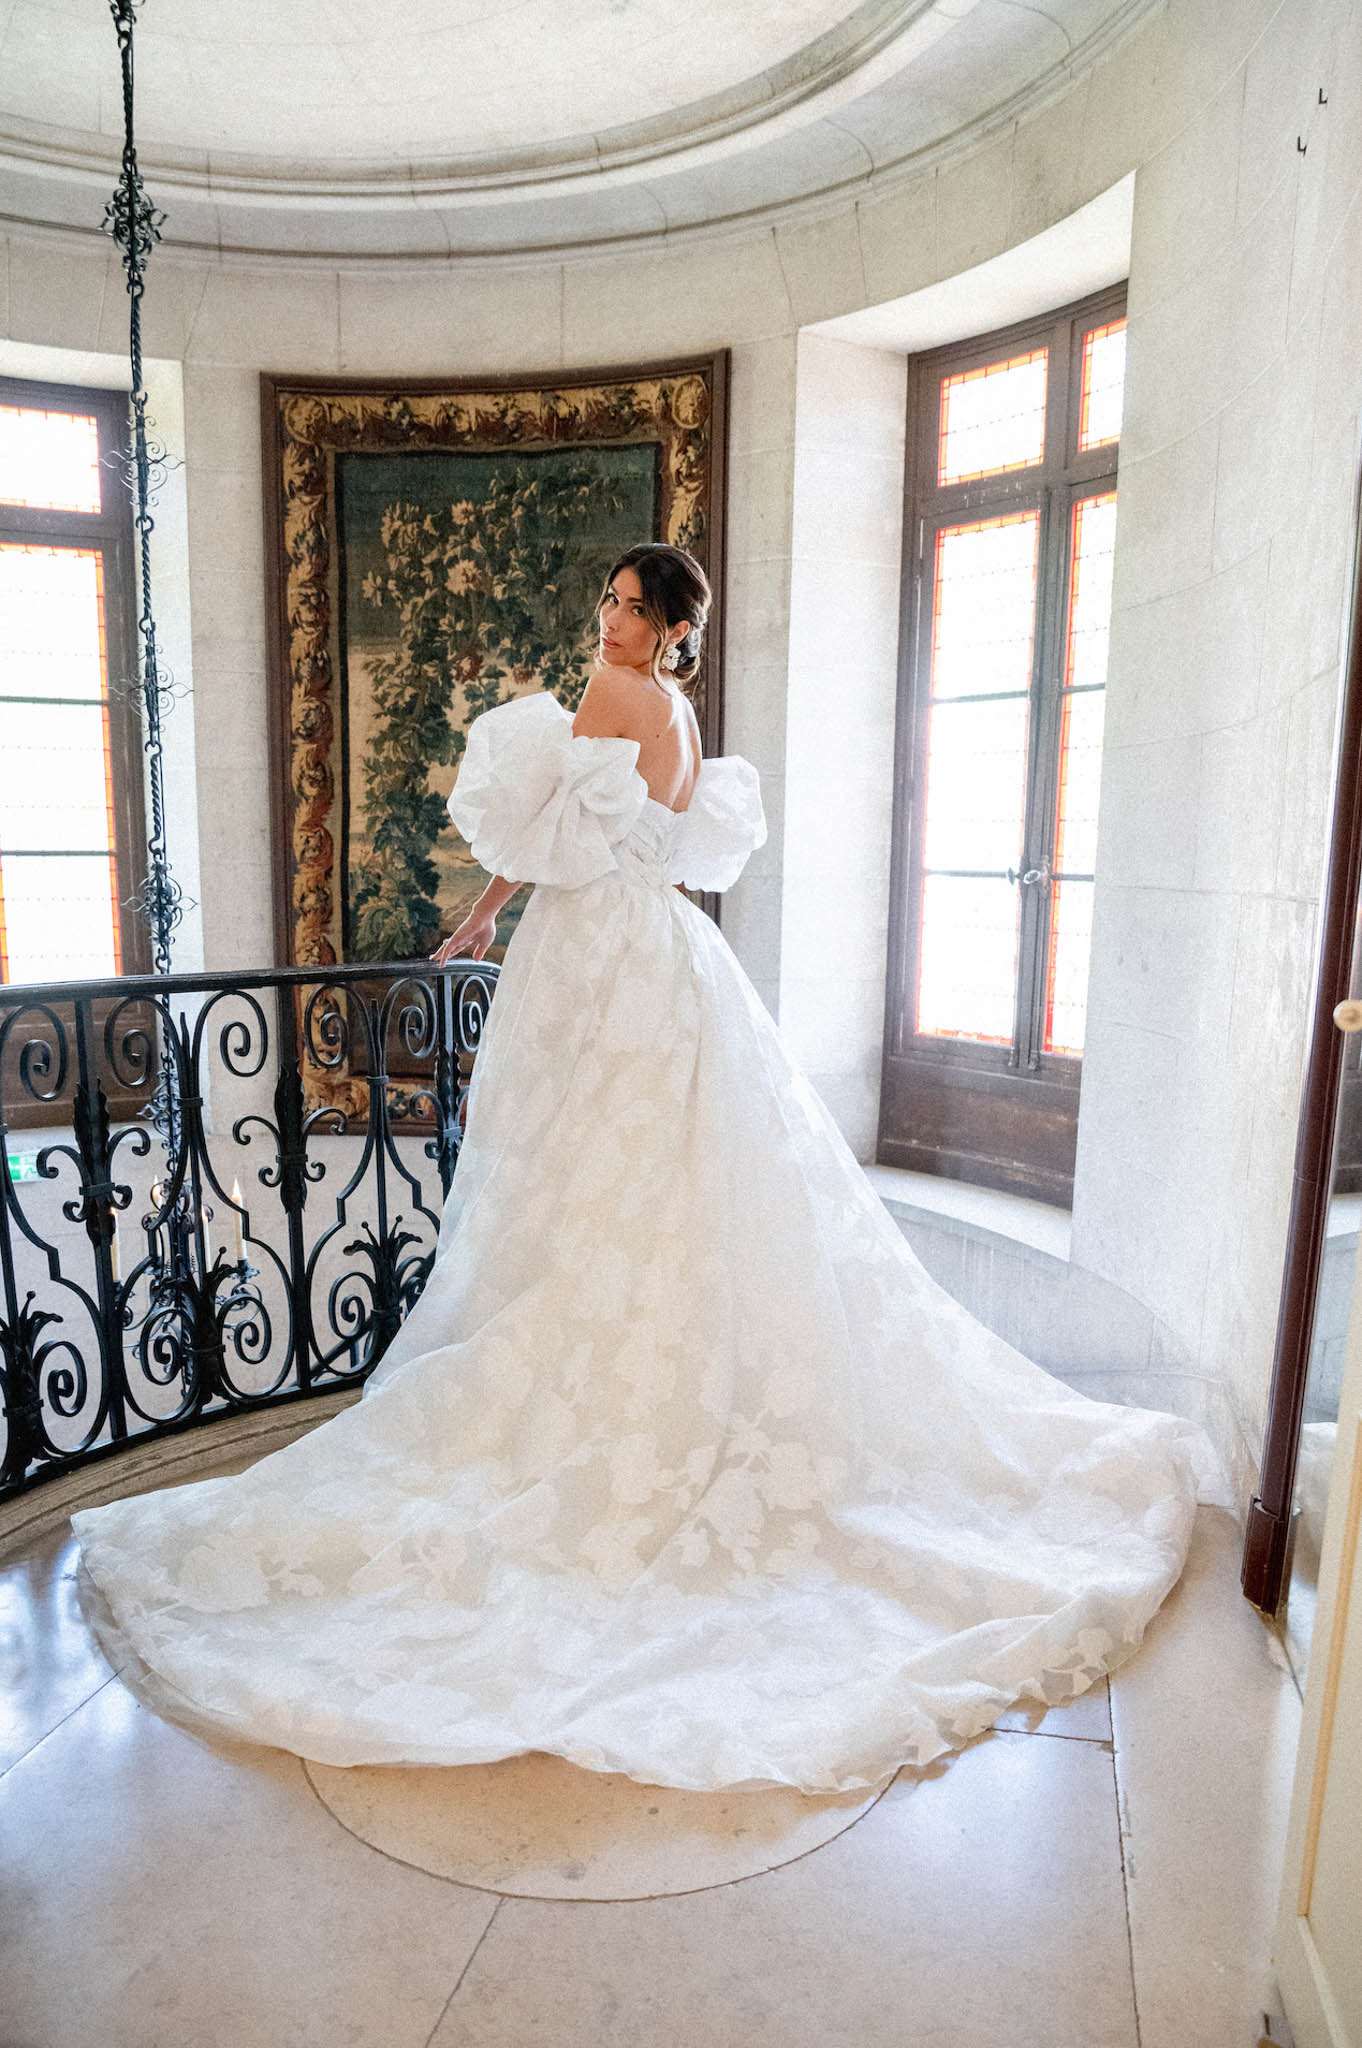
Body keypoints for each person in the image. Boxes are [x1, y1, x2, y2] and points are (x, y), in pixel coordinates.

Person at [70, 540, 1230, 1797]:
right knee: (658, 1179)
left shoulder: (616, 693)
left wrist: (482, 912)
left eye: (635, 607)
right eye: (611, 602)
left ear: (674, 626)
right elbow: (626, 836)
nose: (612, 621)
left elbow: (548, 833)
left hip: (597, 954)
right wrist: (495, 909)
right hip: (663, 952)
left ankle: (594, 1411)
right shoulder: (677, 711)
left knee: (575, 1176)